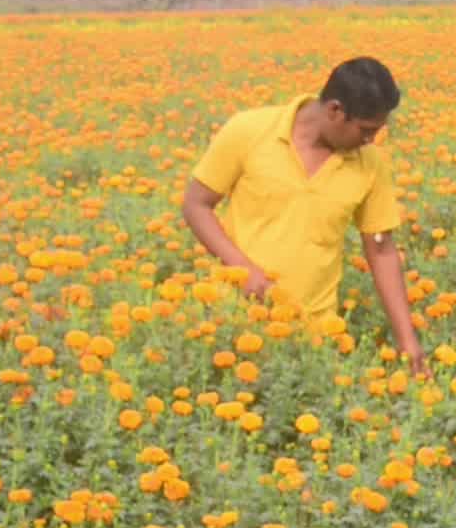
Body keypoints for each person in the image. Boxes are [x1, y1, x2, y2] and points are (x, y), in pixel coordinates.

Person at [181, 56, 431, 378]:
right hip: (230, 323)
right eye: (366, 130)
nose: (371, 140)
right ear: (335, 110)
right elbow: (196, 205)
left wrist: (407, 340)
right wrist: (244, 270)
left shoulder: (370, 163)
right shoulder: (249, 130)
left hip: (312, 336)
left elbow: (381, 248)